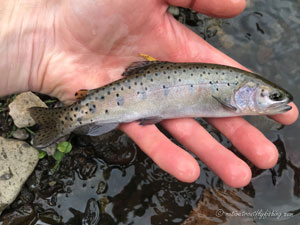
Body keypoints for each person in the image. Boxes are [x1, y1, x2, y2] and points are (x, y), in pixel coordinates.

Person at [0, 0, 298, 187]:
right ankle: (62, 120)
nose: (279, 102)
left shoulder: (233, 91)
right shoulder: (230, 95)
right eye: (271, 97)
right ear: (246, 92)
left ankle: (63, 119)